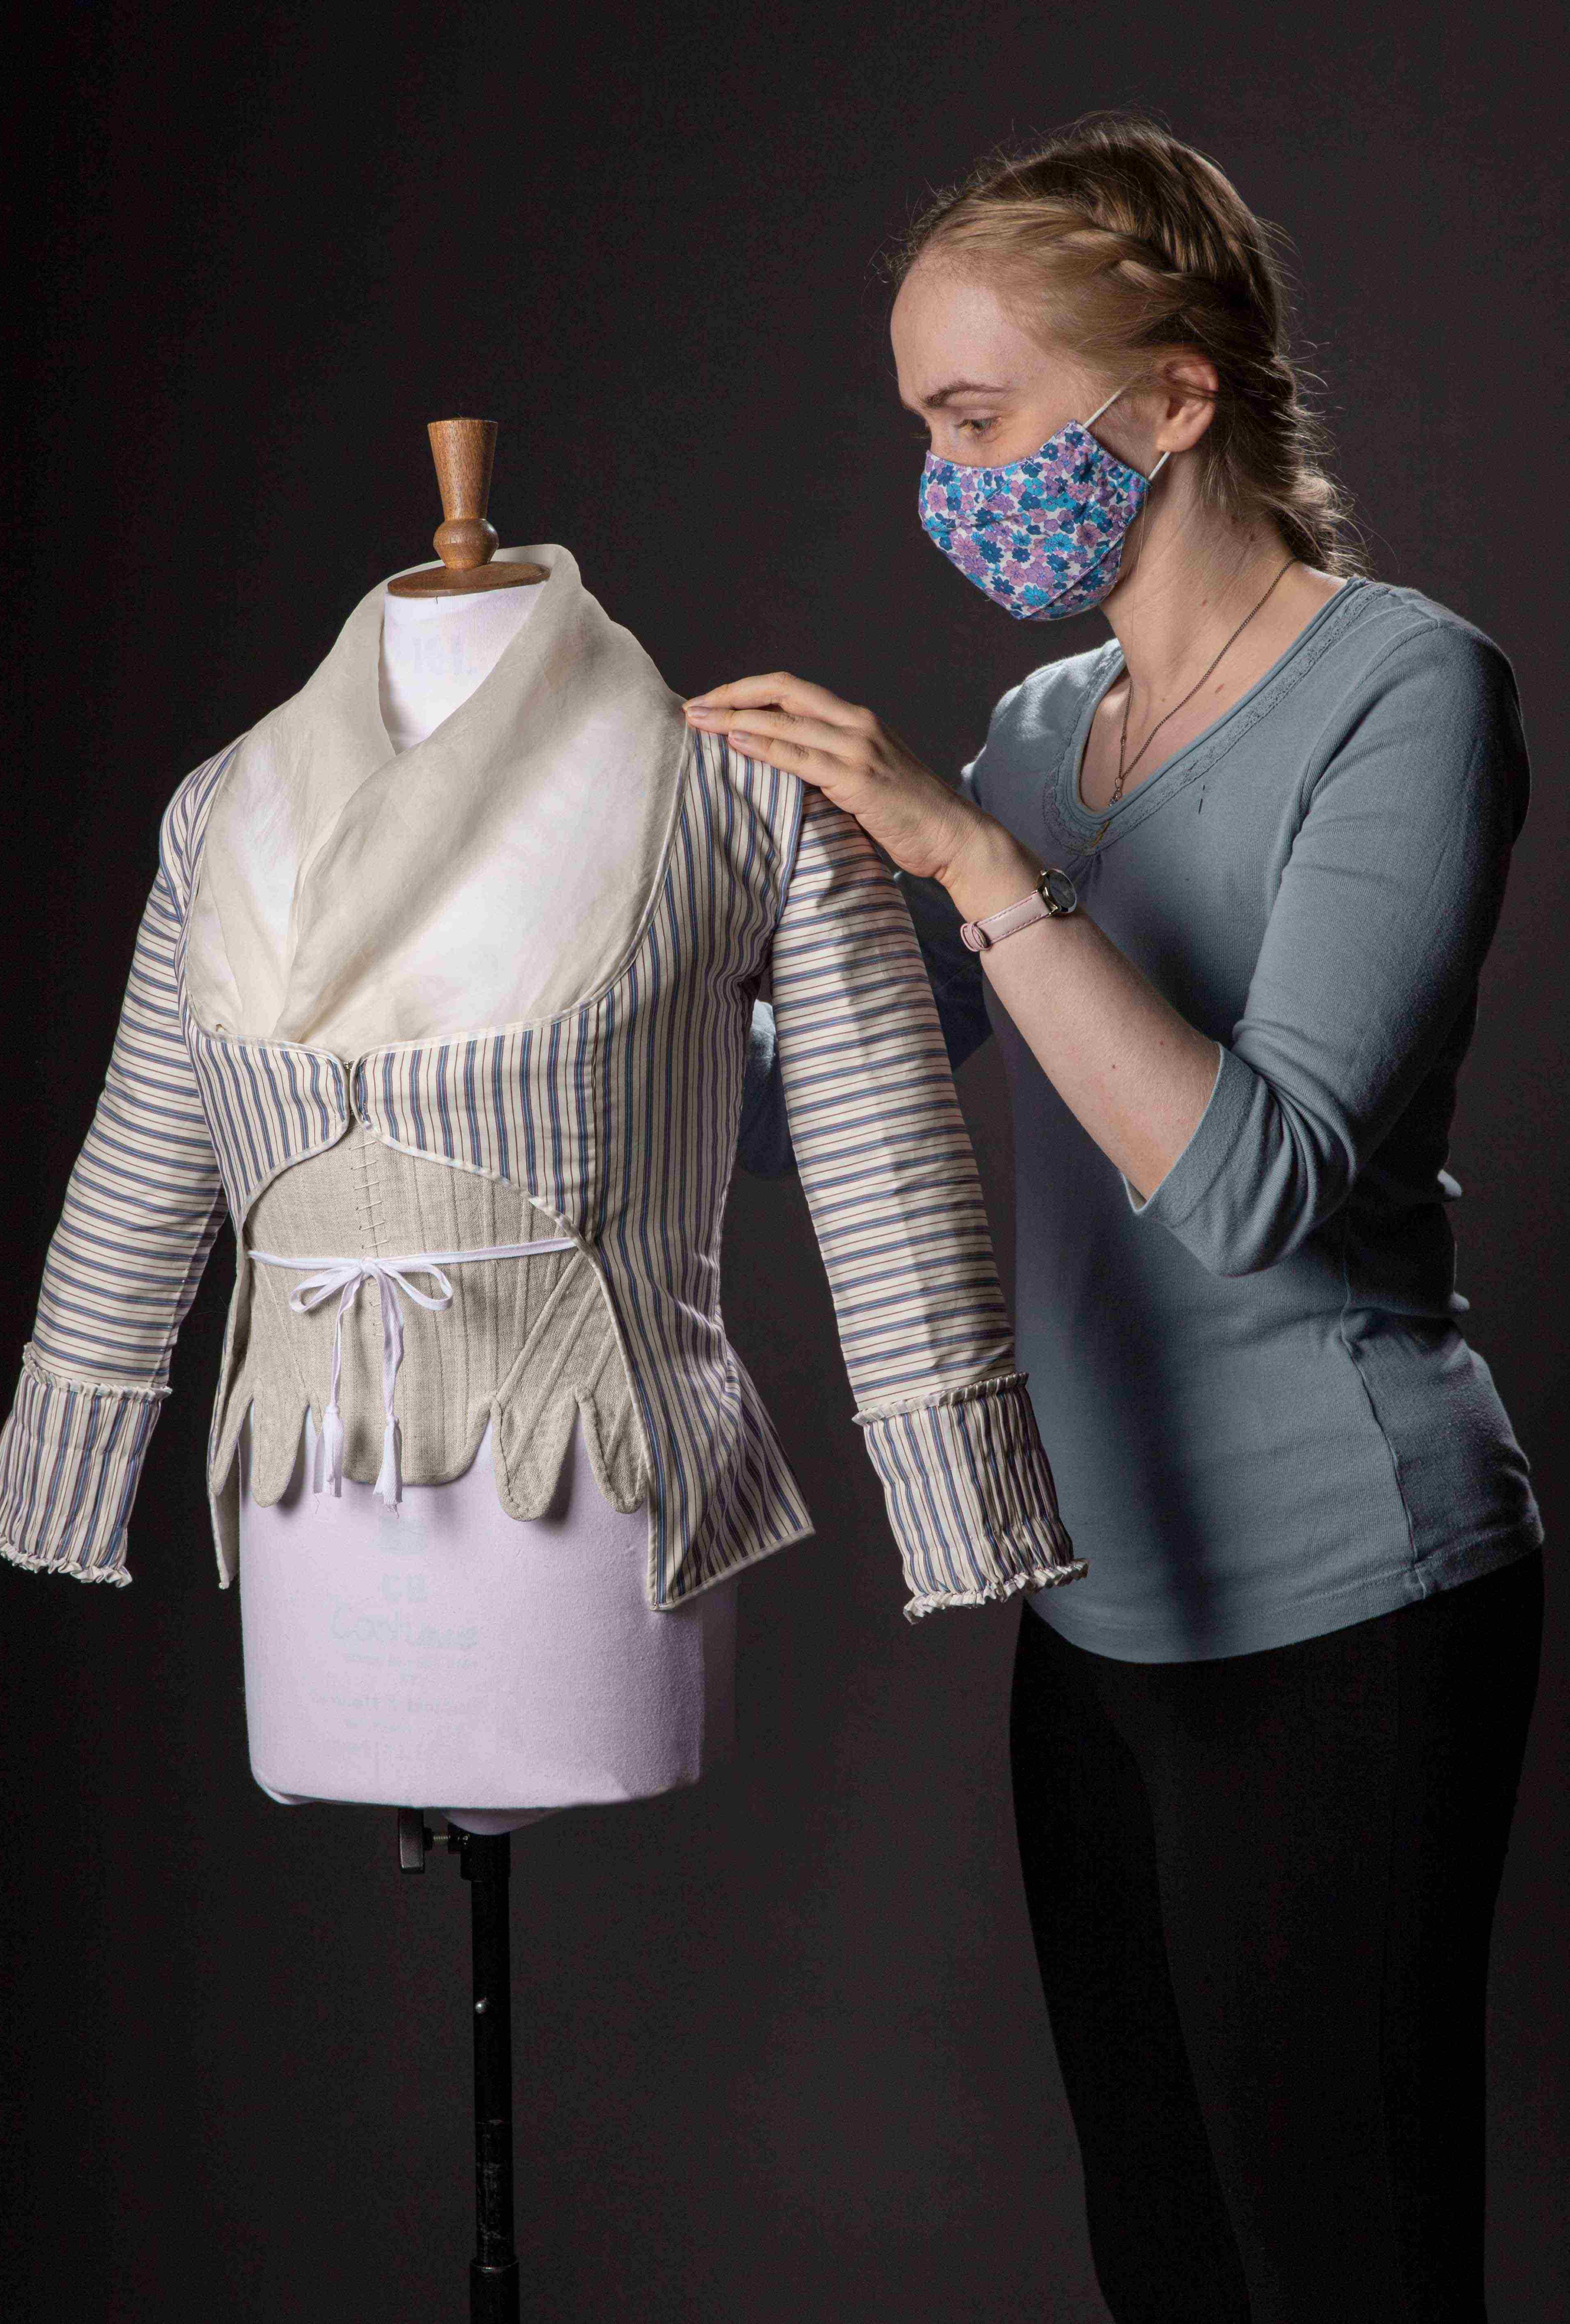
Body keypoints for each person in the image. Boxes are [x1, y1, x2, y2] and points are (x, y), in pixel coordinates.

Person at [685, 113, 1545, 2324]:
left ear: (1173, 400)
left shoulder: (1406, 694)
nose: (942, 478)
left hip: (1346, 1610)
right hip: (1100, 1615)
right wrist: (619, 967)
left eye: (978, 421)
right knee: (1164, 2270)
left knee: (1344, 2274)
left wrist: (974, 865)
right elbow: (831, 1116)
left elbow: (1252, 1185)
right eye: (922, 427)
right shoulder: (1043, 726)